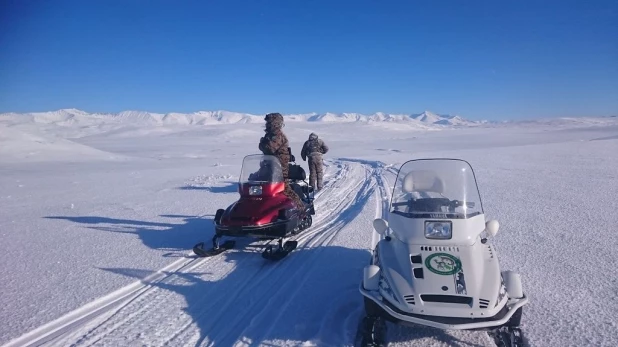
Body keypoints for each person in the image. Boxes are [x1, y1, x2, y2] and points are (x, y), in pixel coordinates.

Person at [258, 112, 305, 211]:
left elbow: (270, 148)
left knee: (284, 188)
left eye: (270, 122)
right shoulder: (269, 135)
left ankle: (301, 208)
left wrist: (262, 143)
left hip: (279, 166)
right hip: (270, 165)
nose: (267, 124)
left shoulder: (277, 135)